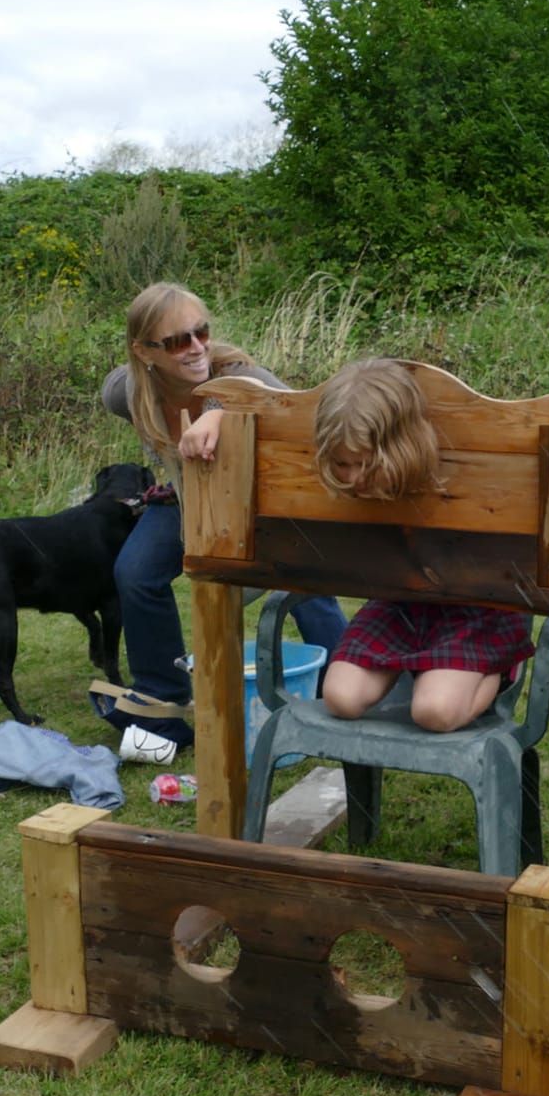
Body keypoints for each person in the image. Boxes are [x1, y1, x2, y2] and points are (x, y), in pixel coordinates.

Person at [98, 282, 347, 766]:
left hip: (264, 503)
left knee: (304, 582)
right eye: (175, 341)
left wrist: (221, 411)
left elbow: (301, 410)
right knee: (135, 572)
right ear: (144, 351)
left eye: (201, 332)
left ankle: (350, 687)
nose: (195, 348)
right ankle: (162, 703)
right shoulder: (127, 392)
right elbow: (113, 385)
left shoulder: (245, 376)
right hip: (187, 501)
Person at [309, 359, 538, 732]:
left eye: (366, 464)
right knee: (340, 698)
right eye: (342, 464)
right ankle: (428, 668)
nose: (353, 478)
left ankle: (498, 670)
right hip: (398, 601)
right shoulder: (356, 480)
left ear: (402, 445)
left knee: (433, 712)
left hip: (476, 609)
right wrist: (214, 416)